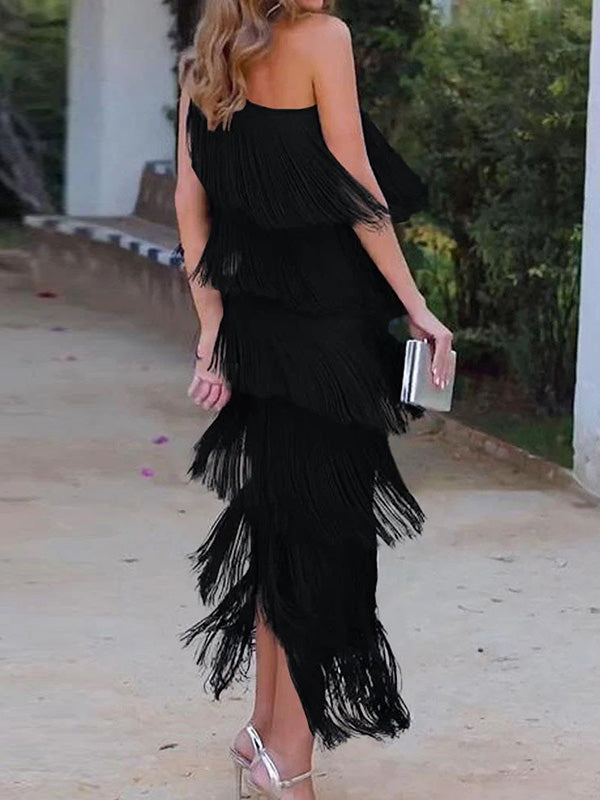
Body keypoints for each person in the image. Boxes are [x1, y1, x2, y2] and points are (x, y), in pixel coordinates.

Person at [174, 1, 453, 798]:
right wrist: (416, 305)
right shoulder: (324, 39)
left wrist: (212, 325)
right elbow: (356, 182)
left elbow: (192, 206)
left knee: (284, 525)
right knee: (323, 542)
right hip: (327, 335)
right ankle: (286, 760)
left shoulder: (205, 61)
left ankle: (263, 730)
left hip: (259, 330)